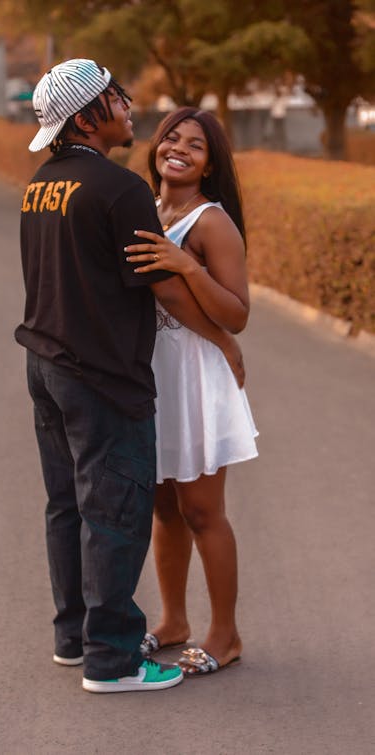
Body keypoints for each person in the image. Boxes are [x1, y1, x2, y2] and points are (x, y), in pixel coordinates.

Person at [15, 60, 243, 693]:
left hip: (47, 365)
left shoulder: (43, 182)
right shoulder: (119, 189)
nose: (128, 105)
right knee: (115, 512)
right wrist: (224, 339)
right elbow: (166, 291)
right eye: (114, 97)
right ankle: (112, 660)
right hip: (102, 376)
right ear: (87, 117)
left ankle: (75, 637)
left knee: (69, 506)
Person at [124, 107, 258, 676]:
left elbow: (238, 315)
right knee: (163, 506)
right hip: (153, 373)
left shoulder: (210, 222)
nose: (178, 149)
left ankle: (224, 635)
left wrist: (189, 266)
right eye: (171, 137)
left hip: (195, 376)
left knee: (203, 510)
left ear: (209, 163)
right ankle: (173, 621)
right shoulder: (150, 208)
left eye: (195, 144)